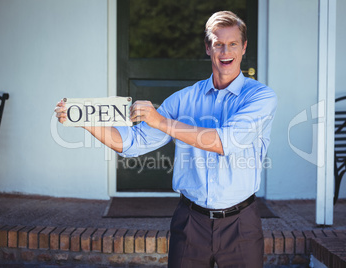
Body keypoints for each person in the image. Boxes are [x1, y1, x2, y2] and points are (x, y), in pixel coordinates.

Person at [56, 11, 277, 268]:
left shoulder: (260, 97)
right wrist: (82, 119)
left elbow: (225, 141)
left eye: (233, 43)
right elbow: (132, 143)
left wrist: (160, 121)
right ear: (208, 47)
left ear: (244, 47)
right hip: (191, 222)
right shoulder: (182, 99)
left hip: (241, 224)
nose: (225, 51)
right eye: (218, 44)